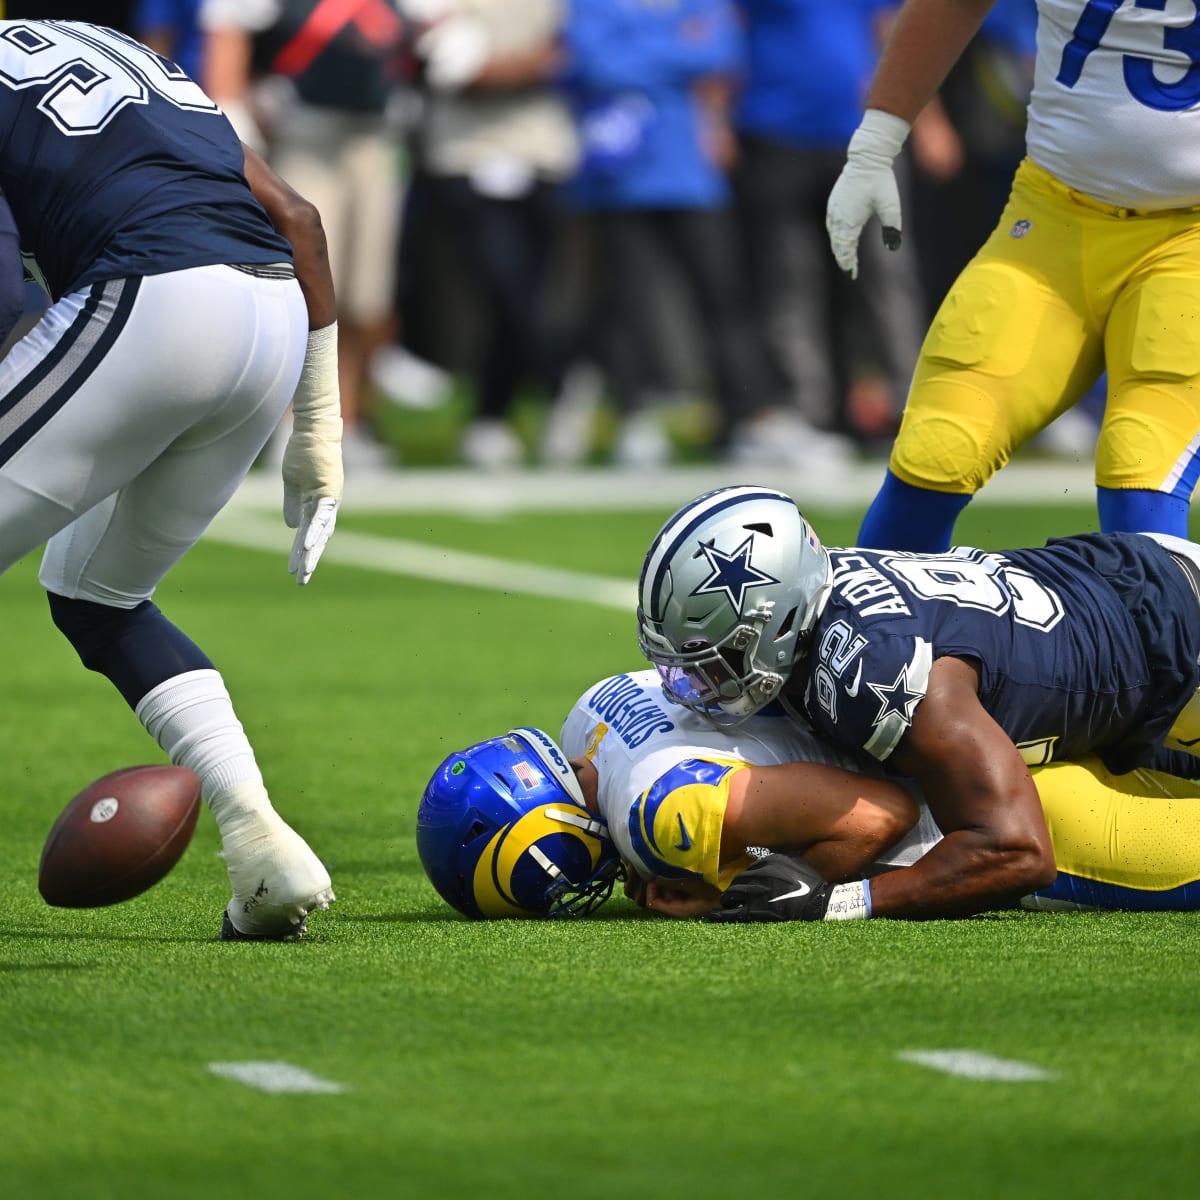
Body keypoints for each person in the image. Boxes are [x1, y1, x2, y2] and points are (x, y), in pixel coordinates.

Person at [0, 19, 342, 939]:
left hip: (153, 300)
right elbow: (300, 219)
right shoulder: (121, 50)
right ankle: (260, 843)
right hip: (272, 316)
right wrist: (318, 424)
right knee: (99, 597)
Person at [636, 485, 1200, 923]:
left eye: (711, 662)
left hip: (1175, 649)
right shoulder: (819, 605)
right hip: (1122, 598)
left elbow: (1016, 850)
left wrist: (839, 902)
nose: (692, 685)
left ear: (778, 622)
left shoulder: (876, 672)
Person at [825, 0, 1200, 552]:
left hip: (1190, 236)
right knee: (938, 447)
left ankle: (1158, 640)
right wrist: (876, 143)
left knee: (1141, 466)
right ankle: (874, 635)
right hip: (1055, 219)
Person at [416, 670, 1200, 920]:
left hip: (990, 804)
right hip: (1014, 716)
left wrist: (751, 887)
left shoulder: (656, 810)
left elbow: (877, 816)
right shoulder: (594, 709)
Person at [200, 0, 411, 472]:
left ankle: (348, 421)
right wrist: (232, 111)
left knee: (365, 295)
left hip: (377, 134)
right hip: (304, 136)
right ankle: (294, 424)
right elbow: (229, 30)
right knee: (306, 287)